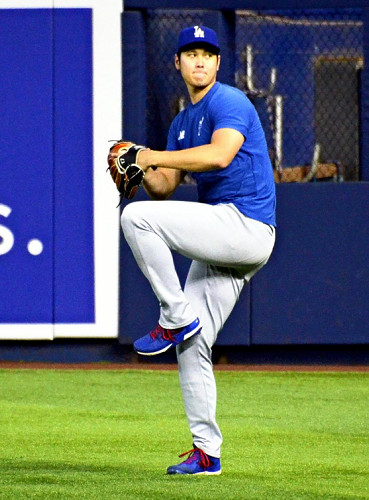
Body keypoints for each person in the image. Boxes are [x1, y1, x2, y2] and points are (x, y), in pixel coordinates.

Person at [120, 25, 276, 475]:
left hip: (245, 225)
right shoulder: (181, 122)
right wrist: (140, 167)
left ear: (218, 63)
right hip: (224, 239)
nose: (200, 60)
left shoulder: (230, 101)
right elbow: (165, 187)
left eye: (207, 53)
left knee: (135, 220)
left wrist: (153, 155)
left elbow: (220, 156)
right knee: (192, 345)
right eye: (190, 53)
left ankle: (174, 313)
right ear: (178, 63)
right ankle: (207, 452)